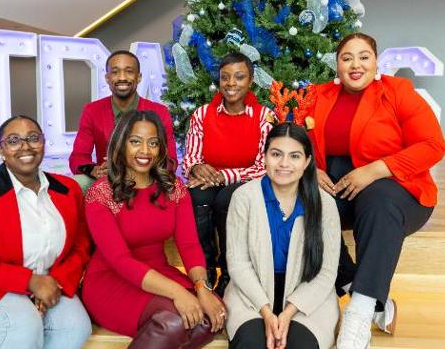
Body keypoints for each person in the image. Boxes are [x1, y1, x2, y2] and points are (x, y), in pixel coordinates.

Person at [307, 33, 445, 348]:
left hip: (397, 188)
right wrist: (311, 168)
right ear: (337, 64)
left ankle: (358, 315)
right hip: (340, 186)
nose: (356, 64)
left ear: (376, 61)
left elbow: (433, 145)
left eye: (364, 56)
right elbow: (297, 141)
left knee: (379, 199)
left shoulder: (398, 91)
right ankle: (361, 288)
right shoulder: (319, 95)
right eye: (347, 58)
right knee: (305, 207)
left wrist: (376, 169)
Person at [81, 110, 225, 348]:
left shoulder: (174, 187)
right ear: (120, 144)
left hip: (159, 272)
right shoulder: (101, 193)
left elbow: (189, 245)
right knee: (174, 321)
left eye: (153, 143)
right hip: (111, 281)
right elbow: (120, 260)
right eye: (135, 142)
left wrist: (201, 287)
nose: (145, 151)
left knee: (214, 315)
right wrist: (178, 293)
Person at [0, 115, 92, 349]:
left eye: (33, 138)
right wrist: (30, 282)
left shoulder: (69, 190)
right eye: (13, 140)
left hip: (51, 280)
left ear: (43, 143)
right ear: (1, 149)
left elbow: (81, 245)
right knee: (23, 324)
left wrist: (54, 282)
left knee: (76, 327)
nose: (25, 146)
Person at [224, 123, 341, 349]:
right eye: (276, 154)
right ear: (265, 157)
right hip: (252, 293)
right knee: (250, 343)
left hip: (306, 296)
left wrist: (288, 313)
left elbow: (326, 272)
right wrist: (266, 312)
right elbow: (238, 263)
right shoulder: (244, 197)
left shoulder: (325, 204)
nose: (284, 164)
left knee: (302, 345)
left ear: (307, 162)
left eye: (295, 156)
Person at [183, 52, 274, 296]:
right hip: (209, 180)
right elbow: (191, 156)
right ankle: (206, 270)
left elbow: (263, 166)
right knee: (196, 198)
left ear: (251, 80)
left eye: (239, 77)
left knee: (227, 199)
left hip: (247, 180)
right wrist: (196, 167)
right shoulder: (202, 114)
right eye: (225, 77)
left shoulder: (263, 116)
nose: (231, 83)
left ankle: (231, 272)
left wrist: (226, 177)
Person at [69, 50, 177, 190]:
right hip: (107, 180)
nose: (122, 77)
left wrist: (132, 168)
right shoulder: (92, 110)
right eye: (115, 72)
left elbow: (171, 161)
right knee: (79, 182)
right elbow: (78, 157)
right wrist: (93, 170)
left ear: (139, 77)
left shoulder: (159, 111)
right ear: (107, 78)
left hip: (148, 178)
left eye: (129, 71)